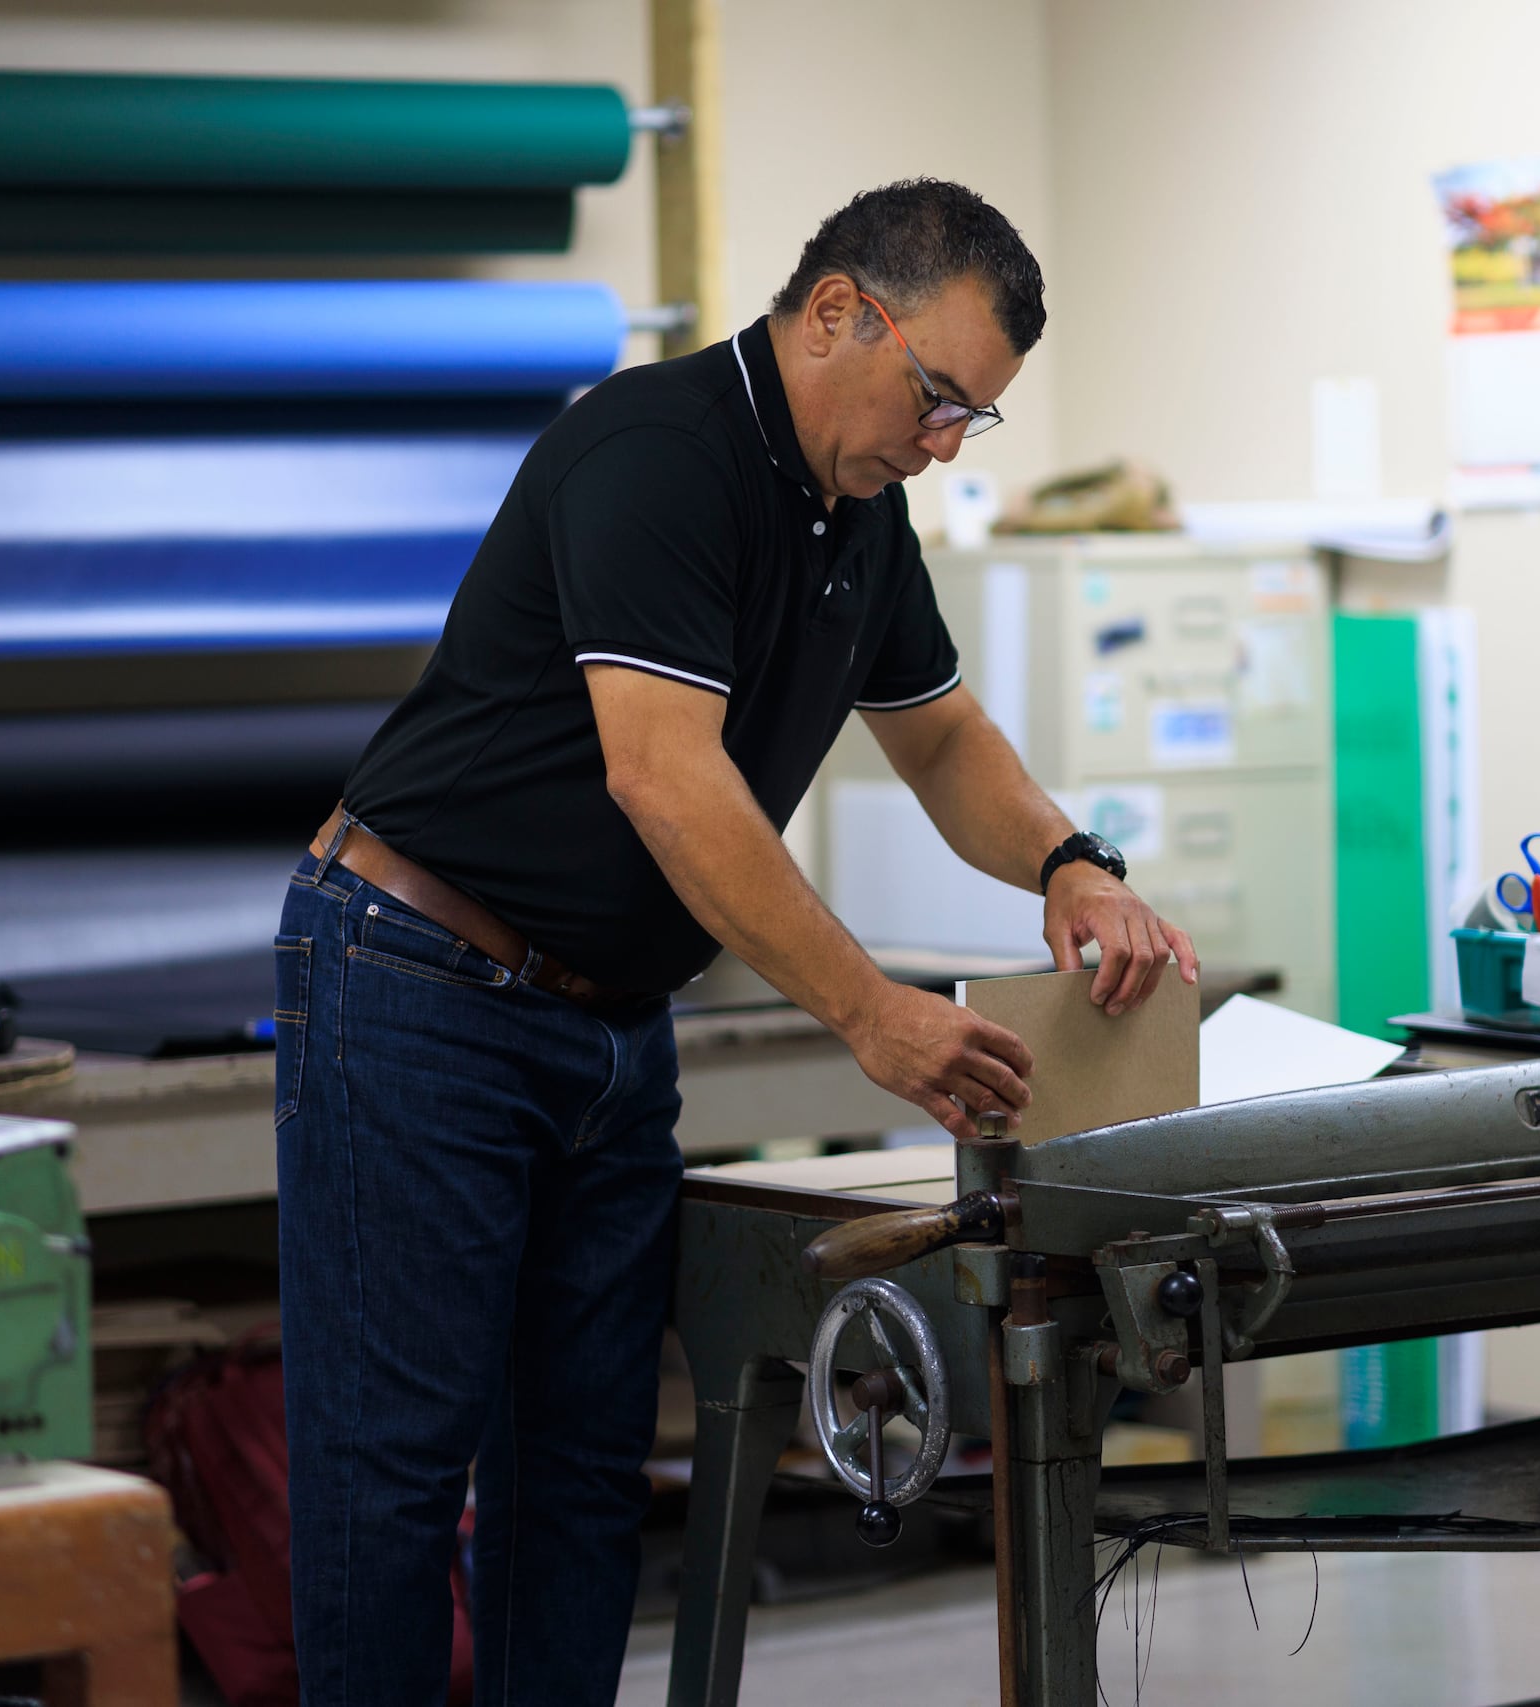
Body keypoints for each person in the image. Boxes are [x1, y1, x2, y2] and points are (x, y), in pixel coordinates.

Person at [275, 177, 1198, 1706]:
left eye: (979, 416)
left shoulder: (858, 514)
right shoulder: (658, 455)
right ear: (838, 309)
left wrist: (1070, 863)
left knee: (579, 1480)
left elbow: (943, 738)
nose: (947, 440)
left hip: (605, 1024)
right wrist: (869, 1013)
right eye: (939, 395)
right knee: (392, 1478)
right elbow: (665, 776)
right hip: (415, 981)